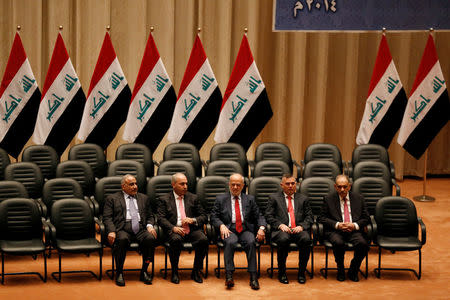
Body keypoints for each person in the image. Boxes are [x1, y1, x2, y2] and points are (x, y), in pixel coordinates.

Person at [211, 173, 266, 290]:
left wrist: (261, 228)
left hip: (245, 230)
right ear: (229, 185)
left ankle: (253, 277)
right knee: (230, 242)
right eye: (233, 185)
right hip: (229, 230)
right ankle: (229, 276)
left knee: (251, 241)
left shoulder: (250, 199)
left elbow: (259, 216)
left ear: (243, 186)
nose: (235, 187)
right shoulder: (220, 199)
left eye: (238, 185)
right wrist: (221, 225)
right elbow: (213, 217)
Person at [103, 174, 157, 286]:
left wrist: (150, 226)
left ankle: (144, 271)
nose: (135, 186)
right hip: (123, 228)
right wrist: (111, 231)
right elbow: (107, 217)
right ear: (123, 186)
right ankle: (119, 273)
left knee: (150, 239)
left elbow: (151, 216)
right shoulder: (112, 199)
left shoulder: (144, 198)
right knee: (121, 239)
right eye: (131, 184)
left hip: (141, 228)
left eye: (135, 184)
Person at [158, 173, 208, 284]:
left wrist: (193, 220)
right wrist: (173, 228)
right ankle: (175, 271)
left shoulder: (193, 198)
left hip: (191, 230)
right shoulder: (164, 199)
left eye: (186, 184)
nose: (185, 186)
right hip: (175, 230)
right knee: (176, 240)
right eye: (182, 184)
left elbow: (204, 216)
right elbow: (160, 218)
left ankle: (196, 271)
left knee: (203, 240)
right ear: (173, 185)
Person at [318, 174, 370, 282]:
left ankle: (353, 269)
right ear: (335, 187)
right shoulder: (328, 199)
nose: (342, 189)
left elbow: (366, 218)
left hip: (353, 230)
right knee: (338, 243)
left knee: (363, 244)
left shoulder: (359, 198)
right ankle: (340, 269)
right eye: (339, 187)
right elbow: (321, 218)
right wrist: (337, 224)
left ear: (349, 186)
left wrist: (354, 225)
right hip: (336, 231)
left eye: (345, 187)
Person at [265, 174, 313, 284]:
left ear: (296, 184)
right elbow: (268, 216)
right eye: (287, 184)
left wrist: (301, 226)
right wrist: (280, 225)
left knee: (306, 239)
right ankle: (282, 273)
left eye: (293, 183)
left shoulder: (303, 199)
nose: (290, 186)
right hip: (281, 230)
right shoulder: (274, 198)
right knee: (283, 239)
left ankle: (301, 273)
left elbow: (310, 217)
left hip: (298, 230)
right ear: (282, 185)